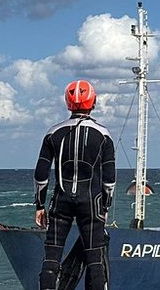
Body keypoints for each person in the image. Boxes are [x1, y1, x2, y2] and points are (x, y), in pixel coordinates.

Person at [34, 80, 116, 290]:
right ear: (94, 102)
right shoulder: (104, 135)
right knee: (95, 259)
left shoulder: (53, 133)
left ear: (67, 103)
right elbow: (109, 179)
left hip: (60, 201)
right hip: (91, 202)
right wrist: (105, 206)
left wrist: (39, 205)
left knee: (52, 256)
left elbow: (41, 175)